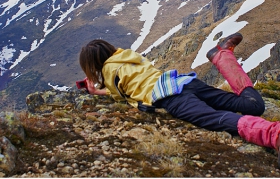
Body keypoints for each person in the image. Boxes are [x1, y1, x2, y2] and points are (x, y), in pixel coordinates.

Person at [79, 33, 280, 167]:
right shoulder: (126, 56)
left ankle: (274, 135)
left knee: (218, 119)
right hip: (182, 81)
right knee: (254, 106)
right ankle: (223, 56)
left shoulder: (109, 71)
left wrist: (96, 91)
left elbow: (120, 95)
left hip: (171, 97)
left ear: (93, 64)